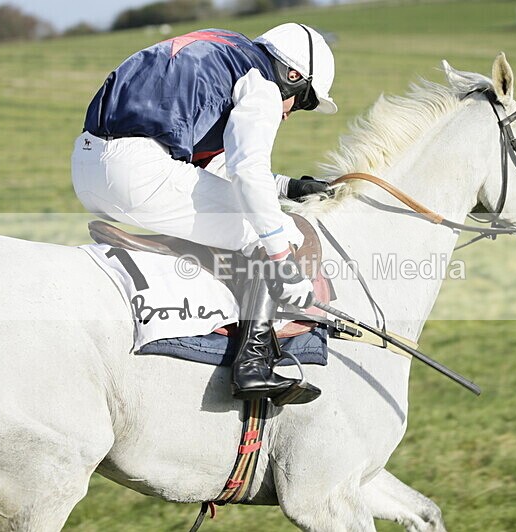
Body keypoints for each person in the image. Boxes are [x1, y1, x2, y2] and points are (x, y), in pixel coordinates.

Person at [71, 23, 336, 405]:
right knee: (276, 231)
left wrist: (286, 186)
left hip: (88, 164)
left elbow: (206, 162)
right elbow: (247, 172)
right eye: (303, 101)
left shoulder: (224, 47)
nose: (290, 113)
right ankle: (253, 365)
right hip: (136, 172)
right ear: (291, 75)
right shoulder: (262, 83)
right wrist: (282, 259)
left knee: (258, 212)